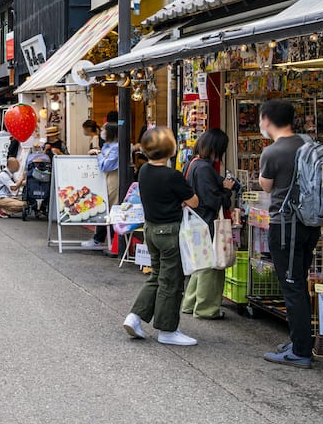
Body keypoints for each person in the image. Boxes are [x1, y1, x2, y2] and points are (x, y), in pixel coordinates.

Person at [123, 126, 199, 347]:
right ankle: (167, 329)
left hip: (151, 230)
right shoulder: (172, 176)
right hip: (169, 232)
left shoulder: (144, 171)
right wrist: (182, 200)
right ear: (171, 149)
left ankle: (135, 316)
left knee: (156, 276)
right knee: (171, 281)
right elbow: (193, 200)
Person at [258, 100, 315, 368]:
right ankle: (299, 340)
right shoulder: (308, 145)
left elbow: (266, 186)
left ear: (267, 119)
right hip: (310, 223)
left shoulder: (273, 152)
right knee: (300, 283)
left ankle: (301, 351)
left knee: (291, 287)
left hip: (285, 226)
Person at [182, 128, 235, 321]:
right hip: (207, 222)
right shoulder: (204, 168)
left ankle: (190, 303)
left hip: (196, 221)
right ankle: (206, 308)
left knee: (201, 263)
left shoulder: (192, 164)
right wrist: (227, 191)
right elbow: (212, 201)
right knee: (211, 266)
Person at [93, 123, 121, 247]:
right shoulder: (107, 146)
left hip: (113, 179)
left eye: (104, 129)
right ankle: (104, 239)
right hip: (107, 179)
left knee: (108, 207)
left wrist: (98, 155)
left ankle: (107, 240)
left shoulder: (116, 148)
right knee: (104, 206)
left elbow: (106, 165)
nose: (101, 131)